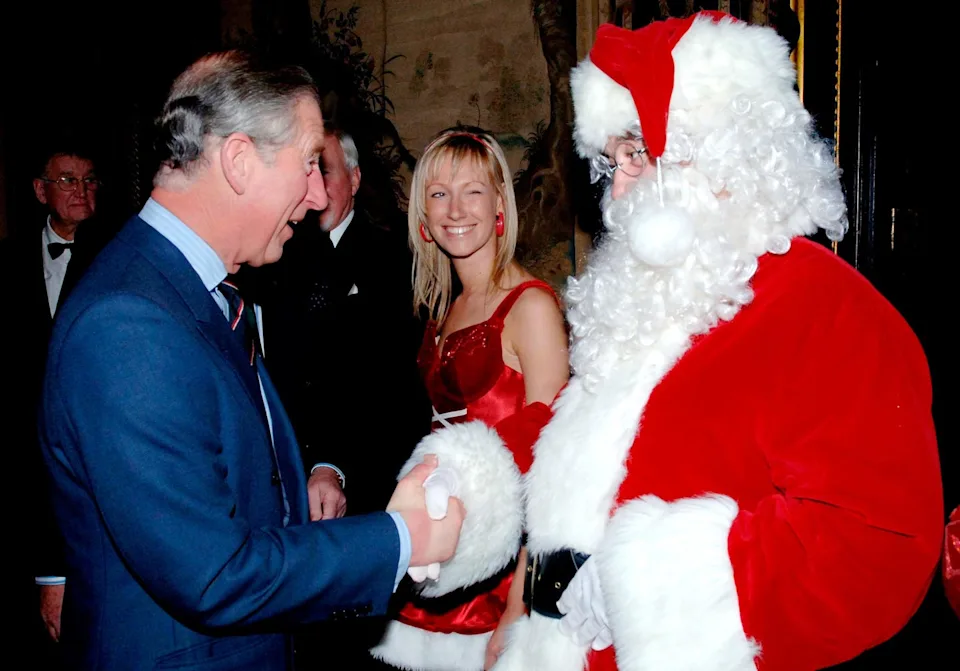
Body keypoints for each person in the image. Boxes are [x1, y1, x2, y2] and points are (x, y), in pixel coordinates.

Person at [489, 12, 943, 671]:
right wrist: (477, 484)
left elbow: (876, 539)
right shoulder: (648, 294)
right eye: (612, 161)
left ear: (724, 154)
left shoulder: (825, 308)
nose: (617, 188)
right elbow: (598, 447)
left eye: (637, 154)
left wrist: (642, 587)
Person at [38, 50, 463, 671]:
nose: (318, 194)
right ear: (239, 161)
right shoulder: (130, 323)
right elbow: (213, 574)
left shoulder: (193, 290)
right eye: (310, 163)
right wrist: (400, 538)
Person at [369, 127, 569, 671]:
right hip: (444, 557)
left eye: (473, 191)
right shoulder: (440, 314)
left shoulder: (531, 307)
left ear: (499, 203)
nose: (456, 208)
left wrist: (519, 610)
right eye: (439, 193)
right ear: (423, 217)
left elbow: (553, 473)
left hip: (505, 579)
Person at [238, 129, 432, 669]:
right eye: (305, 170)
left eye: (324, 170)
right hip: (284, 481)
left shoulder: (395, 254)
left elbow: (387, 384)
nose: (314, 186)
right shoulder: (273, 250)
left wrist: (334, 463)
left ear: (354, 178)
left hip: (363, 480)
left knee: (358, 643)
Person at [0, 140, 105, 668]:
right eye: (67, 180)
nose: (81, 191)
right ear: (41, 191)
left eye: (89, 180)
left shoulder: (116, 256)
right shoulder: (8, 262)